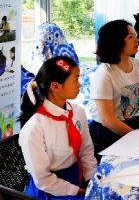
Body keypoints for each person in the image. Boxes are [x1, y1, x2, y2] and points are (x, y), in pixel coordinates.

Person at [18, 56, 98, 199]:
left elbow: (86, 151)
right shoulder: (35, 127)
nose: (79, 85)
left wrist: (92, 180)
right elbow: (43, 180)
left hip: (77, 175)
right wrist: (76, 191)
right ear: (55, 86)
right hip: (52, 189)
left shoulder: (77, 112)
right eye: (75, 80)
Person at [88, 19, 139, 152]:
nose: (136, 40)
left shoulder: (137, 64)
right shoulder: (105, 73)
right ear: (116, 42)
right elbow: (107, 119)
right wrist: (135, 136)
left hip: (135, 123)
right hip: (110, 132)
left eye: (135, 35)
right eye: (130, 37)